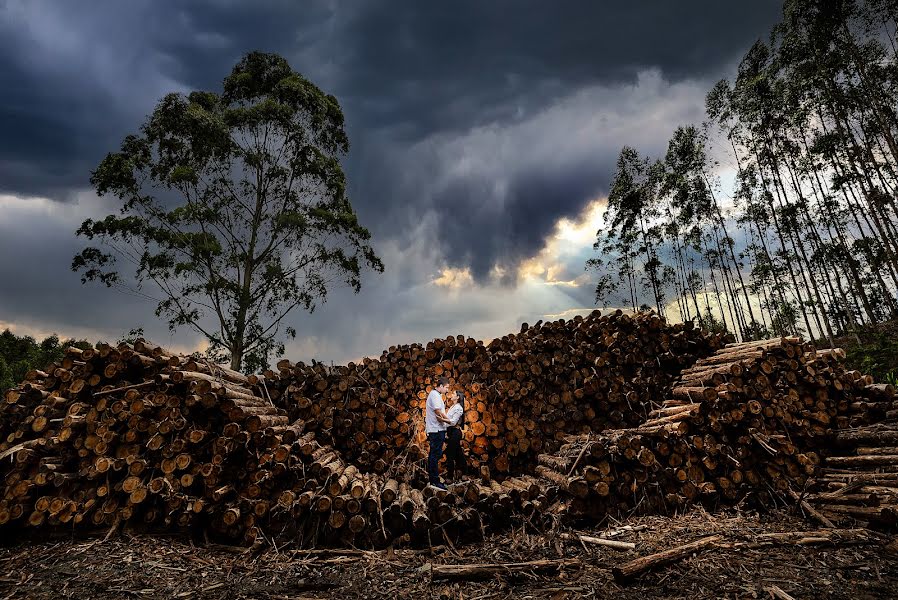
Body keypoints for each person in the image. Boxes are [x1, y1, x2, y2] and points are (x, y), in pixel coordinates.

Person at [425, 377, 453, 489]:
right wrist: (450, 420)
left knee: (434, 455)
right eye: (446, 387)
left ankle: (433, 479)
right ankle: (435, 481)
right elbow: (438, 412)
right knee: (435, 455)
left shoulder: (435, 395)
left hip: (437, 429)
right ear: (440, 386)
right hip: (436, 430)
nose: (447, 390)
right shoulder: (435, 395)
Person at [444, 390, 466, 481]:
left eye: (453, 394)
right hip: (451, 432)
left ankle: (450, 476)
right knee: (458, 453)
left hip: (455, 432)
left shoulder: (459, 408)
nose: (451, 395)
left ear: (458, 397)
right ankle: (464, 472)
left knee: (450, 453)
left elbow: (453, 422)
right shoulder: (453, 406)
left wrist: (442, 419)